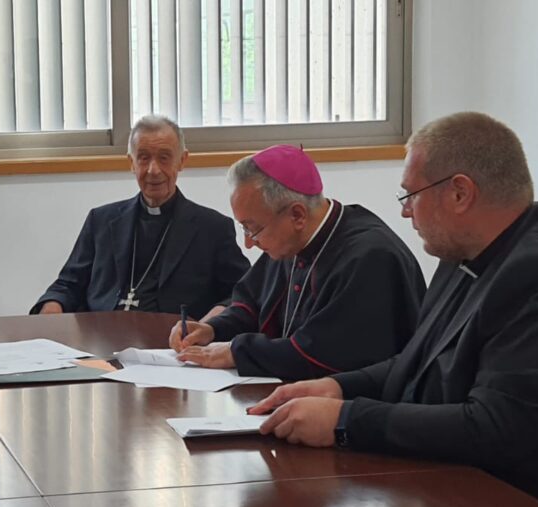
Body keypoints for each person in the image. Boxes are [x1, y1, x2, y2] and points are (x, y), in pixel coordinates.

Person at [249, 112, 538, 507]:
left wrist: (345, 420)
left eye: (411, 194)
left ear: (460, 194)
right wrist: (335, 388)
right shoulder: (466, 253)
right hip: (485, 487)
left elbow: (493, 428)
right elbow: (418, 363)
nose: (406, 213)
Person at [170, 145, 425, 380]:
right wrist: (211, 330)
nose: (249, 243)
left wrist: (236, 352)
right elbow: (252, 304)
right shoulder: (292, 241)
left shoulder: (371, 258)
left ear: (297, 215)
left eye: (253, 229)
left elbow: (328, 354)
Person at [32, 115, 250, 318]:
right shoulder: (101, 220)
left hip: (171, 345)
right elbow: (69, 284)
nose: (153, 170)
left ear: (182, 161)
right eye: (143, 158)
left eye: (164, 158)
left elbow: (241, 293)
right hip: (101, 340)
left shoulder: (212, 228)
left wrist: (209, 322)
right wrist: (51, 311)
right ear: (131, 162)